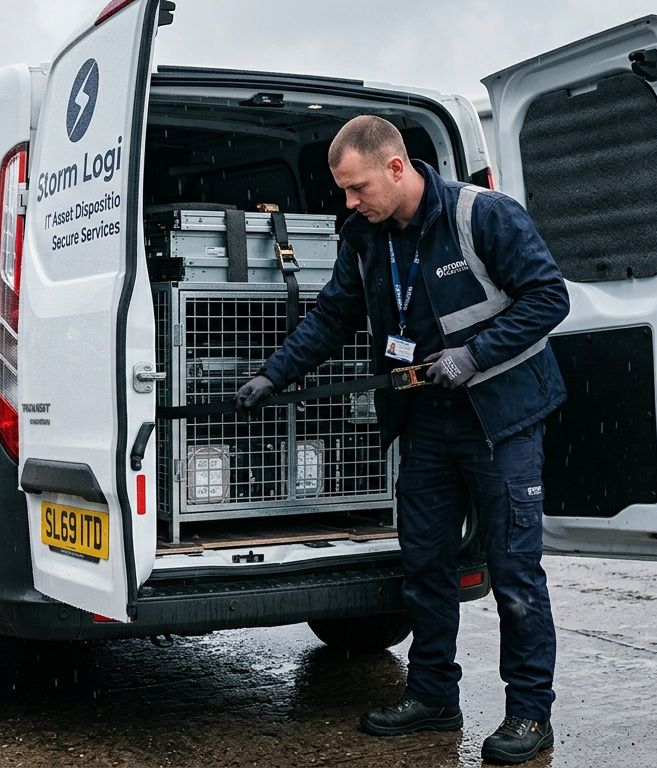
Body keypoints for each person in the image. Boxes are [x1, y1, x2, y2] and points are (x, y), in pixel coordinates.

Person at [235, 115, 569, 765]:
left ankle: (529, 713)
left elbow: (547, 298)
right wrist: (274, 374)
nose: (349, 202)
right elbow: (334, 315)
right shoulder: (365, 237)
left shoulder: (484, 217)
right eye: (344, 192)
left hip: (501, 420)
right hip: (426, 420)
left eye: (357, 187)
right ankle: (433, 695)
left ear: (396, 168)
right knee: (424, 566)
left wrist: (474, 356)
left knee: (515, 572)